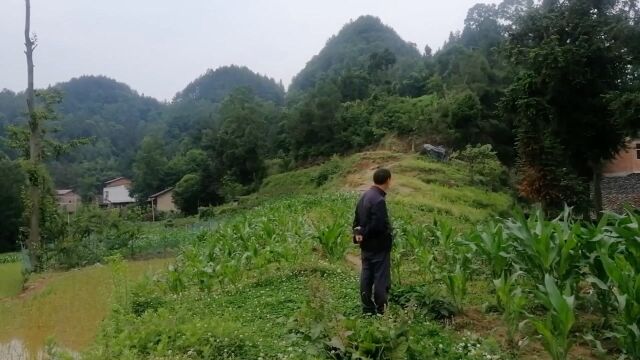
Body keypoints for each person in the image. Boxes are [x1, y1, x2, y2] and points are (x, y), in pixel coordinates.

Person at [352, 168, 393, 315]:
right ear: (388, 180)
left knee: (366, 276)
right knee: (381, 279)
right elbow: (378, 226)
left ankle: (367, 308)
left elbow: (356, 219)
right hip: (379, 247)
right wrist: (365, 232)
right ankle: (382, 310)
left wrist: (358, 233)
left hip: (366, 247)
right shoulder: (379, 200)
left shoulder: (364, 196)